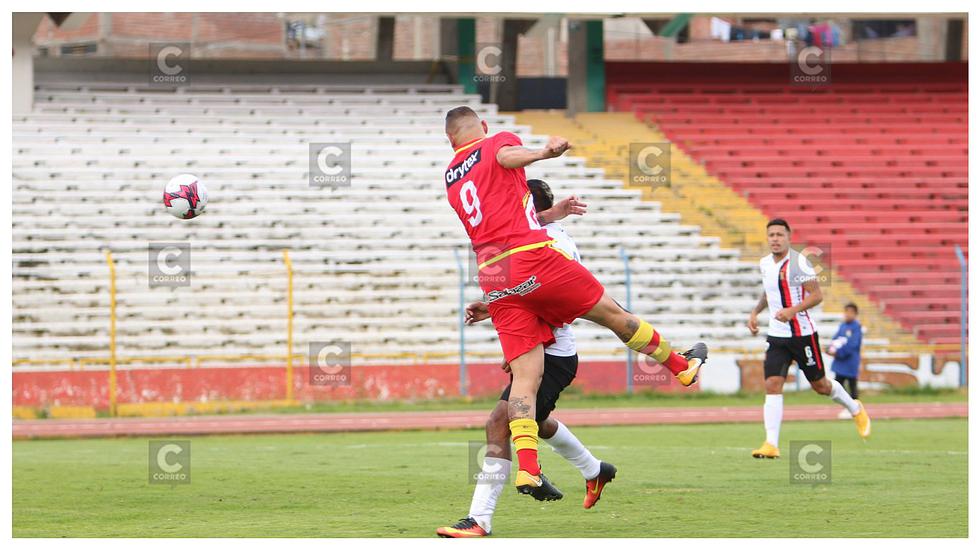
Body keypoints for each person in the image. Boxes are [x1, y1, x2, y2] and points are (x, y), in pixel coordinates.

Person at [443, 106, 707, 494]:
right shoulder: (496, 142)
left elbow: (503, 212)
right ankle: (681, 366)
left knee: (525, 381)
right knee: (614, 315)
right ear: (482, 126)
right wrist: (543, 154)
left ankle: (529, 468)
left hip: (493, 274)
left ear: (450, 140)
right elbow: (505, 157)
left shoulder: (450, 177)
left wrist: (547, 213)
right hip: (533, 257)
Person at [436, 180, 615, 538]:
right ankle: (594, 470)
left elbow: (561, 304)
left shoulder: (554, 244)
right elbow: (528, 292)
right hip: (537, 350)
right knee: (535, 419)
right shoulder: (530, 240)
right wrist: (493, 308)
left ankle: (479, 519)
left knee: (499, 423)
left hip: (551, 354)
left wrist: (523, 348)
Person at [746, 219, 871, 459]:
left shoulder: (798, 263)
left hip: (802, 335)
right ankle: (771, 444)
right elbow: (769, 291)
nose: (775, 239)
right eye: (771, 235)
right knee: (772, 384)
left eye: (779, 235)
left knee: (821, 386)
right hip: (777, 335)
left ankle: (855, 408)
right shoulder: (765, 264)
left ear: (788, 237)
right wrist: (755, 312)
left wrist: (792, 311)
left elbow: (817, 295)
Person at [829, 303, 863, 418]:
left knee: (852, 385)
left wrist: (838, 352)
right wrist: (830, 348)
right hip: (840, 363)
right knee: (838, 385)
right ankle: (848, 407)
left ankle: (854, 408)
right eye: (846, 312)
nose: (847, 314)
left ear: (855, 314)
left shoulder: (856, 327)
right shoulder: (842, 326)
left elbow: (853, 345)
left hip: (850, 362)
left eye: (850, 312)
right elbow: (835, 339)